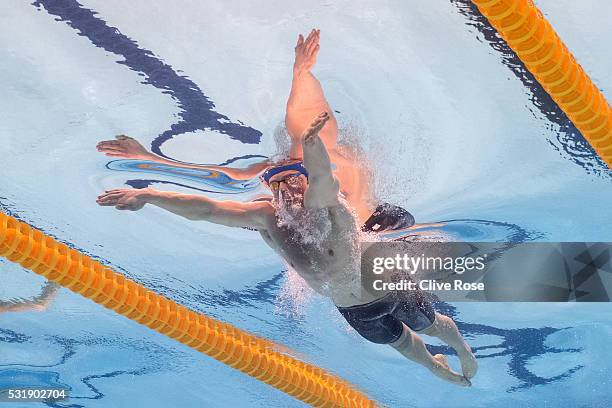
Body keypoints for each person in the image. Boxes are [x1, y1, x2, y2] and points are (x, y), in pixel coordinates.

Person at [97, 109, 477, 386]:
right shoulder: (267, 217)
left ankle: (460, 347)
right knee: (407, 349)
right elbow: (208, 209)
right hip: (354, 310)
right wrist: (150, 196)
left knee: (434, 326)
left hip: (386, 284)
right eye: (279, 184)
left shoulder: (325, 205)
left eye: (295, 180)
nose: (288, 188)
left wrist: (312, 146)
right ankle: (434, 367)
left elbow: (324, 179)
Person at [96, 29, 414, 231]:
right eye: (281, 188)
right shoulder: (273, 187)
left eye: (289, 184)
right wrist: (148, 159)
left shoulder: (317, 154)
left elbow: (303, 112)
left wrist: (301, 73)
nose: (286, 191)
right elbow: (216, 179)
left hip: (381, 221)